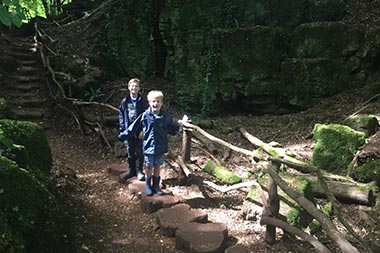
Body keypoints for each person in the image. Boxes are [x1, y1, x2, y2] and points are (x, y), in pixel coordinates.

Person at [128, 90, 183, 196]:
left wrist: (179, 126)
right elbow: (135, 127)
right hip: (149, 146)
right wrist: (130, 134)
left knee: (157, 166)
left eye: (158, 101)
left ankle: (156, 186)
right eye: (153, 101)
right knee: (149, 166)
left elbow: (171, 128)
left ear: (161, 103)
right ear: (149, 102)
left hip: (160, 146)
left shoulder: (166, 117)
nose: (155, 104)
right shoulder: (145, 116)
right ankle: (148, 185)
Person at [117, 78, 147, 181]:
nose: (134, 88)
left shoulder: (142, 101)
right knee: (130, 151)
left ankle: (139, 171)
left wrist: (143, 130)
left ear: (139, 88)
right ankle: (131, 170)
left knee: (139, 151)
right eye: (132, 86)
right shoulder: (125, 101)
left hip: (138, 131)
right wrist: (122, 127)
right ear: (129, 87)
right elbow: (121, 113)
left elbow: (146, 116)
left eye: (136, 86)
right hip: (127, 130)